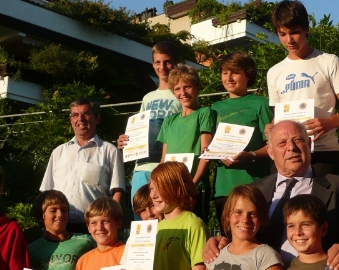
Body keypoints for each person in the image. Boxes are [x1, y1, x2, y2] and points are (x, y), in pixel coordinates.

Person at [204, 120, 339, 268]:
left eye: (298, 140)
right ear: (270, 152)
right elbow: (241, 236)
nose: (291, 147)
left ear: (309, 144)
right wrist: (220, 242)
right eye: (282, 143)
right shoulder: (255, 191)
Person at [265, 0, 339, 176]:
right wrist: (271, 128)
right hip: (288, 155)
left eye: (295, 32)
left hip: (323, 152)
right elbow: (279, 116)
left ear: (306, 29)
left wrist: (329, 123)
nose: (289, 40)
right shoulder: (274, 72)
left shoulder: (329, 62)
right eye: (282, 34)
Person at [41, 97, 126, 233]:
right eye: (75, 115)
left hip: (94, 228)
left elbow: (118, 191)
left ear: (97, 118)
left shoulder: (110, 151)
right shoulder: (58, 152)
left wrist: (109, 222)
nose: (80, 119)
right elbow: (46, 193)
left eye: (86, 114)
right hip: (61, 227)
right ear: (71, 120)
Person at [211, 52, 274, 225]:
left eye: (235, 72)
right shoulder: (215, 108)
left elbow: (272, 146)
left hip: (254, 186)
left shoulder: (261, 104)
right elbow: (209, 145)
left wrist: (250, 156)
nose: (229, 78)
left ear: (248, 75)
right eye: (225, 72)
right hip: (223, 189)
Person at [118, 41, 182, 191]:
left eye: (167, 62)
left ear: (176, 63)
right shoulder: (147, 98)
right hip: (142, 166)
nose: (162, 67)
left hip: (168, 167)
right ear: (153, 64)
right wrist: (126, 141)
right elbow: (139, 129)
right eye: (158, 62)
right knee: (140, 206)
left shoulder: (182, 94)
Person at [157, 64, 215, 221]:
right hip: (171, 189)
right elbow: (163, 159)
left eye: (187, 87)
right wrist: (157, 186)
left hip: (195, 188)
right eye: (177, 89)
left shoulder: (204, 113)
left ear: (197, 87)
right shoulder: (169, 121)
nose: (183, 93)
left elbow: (206, 154)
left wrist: (192, 184)